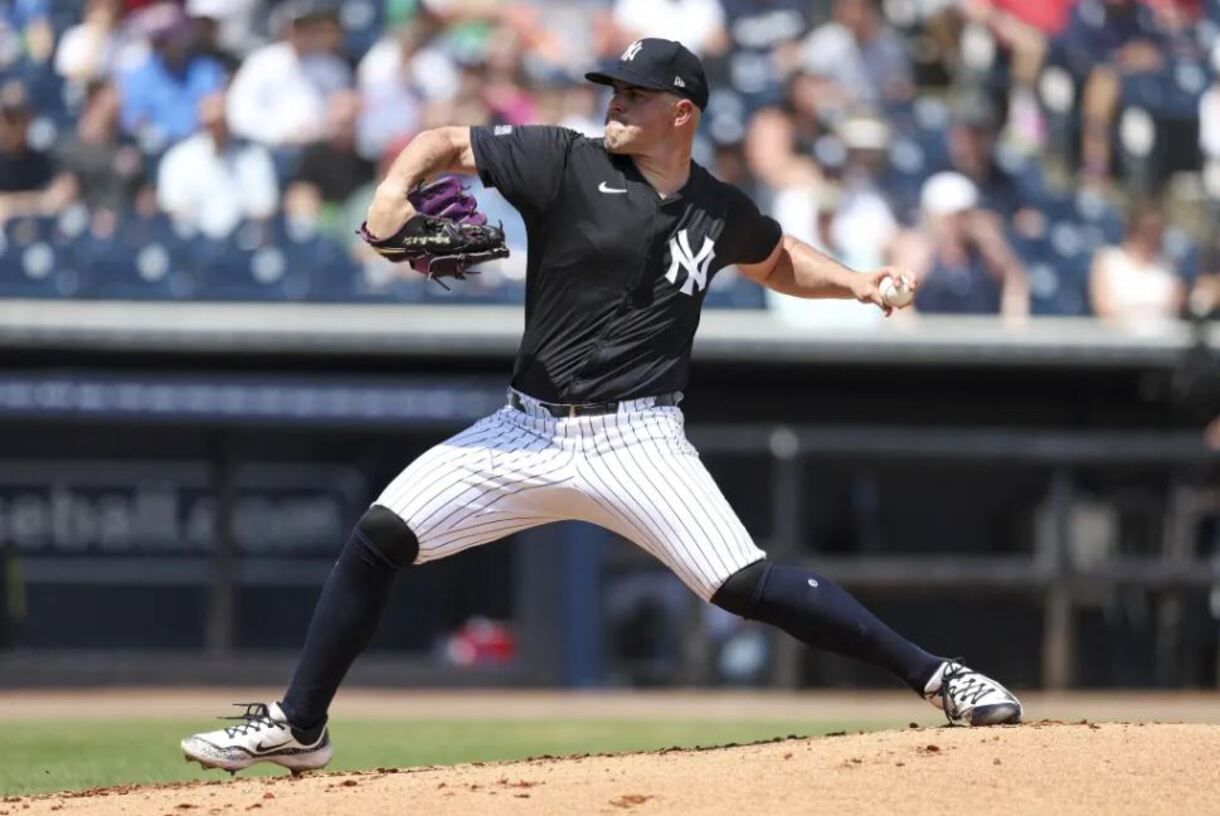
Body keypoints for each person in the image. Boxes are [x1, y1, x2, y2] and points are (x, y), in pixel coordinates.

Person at [180, 38, 1022, 776]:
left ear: (681, 113)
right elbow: (444, 143)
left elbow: (774, 259)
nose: (614, 104)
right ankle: (301, 725)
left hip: (639, 438)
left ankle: (940, 676)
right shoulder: (563, 160)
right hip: (525, 429)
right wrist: (393, 193)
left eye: (634, 94)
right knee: (379, 536)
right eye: (612, 89)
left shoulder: (716, 207)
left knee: (743, 583)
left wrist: (859, 283)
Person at [156, 89, 278, 238]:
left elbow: (264, 207)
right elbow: (172, 206)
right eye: (212, 124)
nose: (217, 129)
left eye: (221, 122)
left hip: (241, 241)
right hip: (192, 242)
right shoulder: (179, 157)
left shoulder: (254, 157)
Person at [1089, 203, 1187, 325]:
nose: (1150, 237)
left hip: (1163, 333)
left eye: (1157, 231)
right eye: (1146, 230)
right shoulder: (1108, 259)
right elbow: (1103, 307)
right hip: (1118, 335)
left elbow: (1176, 306)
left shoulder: (1169, 265)